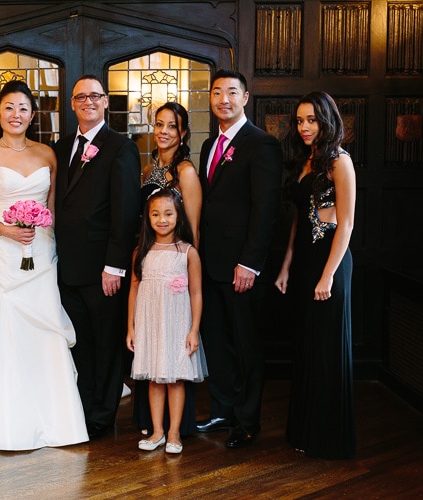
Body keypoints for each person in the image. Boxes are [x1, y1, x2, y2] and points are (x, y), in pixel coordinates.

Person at [0, 80, 88, 454]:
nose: (16, 115)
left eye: (23, 108)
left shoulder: (47, 155)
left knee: (43, 326)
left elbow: (55, 209)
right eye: (9, 108)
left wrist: (52, 240)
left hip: (41, 250)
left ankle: (54, 421)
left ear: (32, 114)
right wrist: (6, 229)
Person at [196, 69, 283, 448]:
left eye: (232, 92)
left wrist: (250, 262)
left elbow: (266, 209)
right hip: (210, 262)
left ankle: (246, 422)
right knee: (217, 342)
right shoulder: (208, 145)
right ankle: (222, 411)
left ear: (245, 98)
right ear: (210, 98)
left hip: (241, 267)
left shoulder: (261, 144)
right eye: (217, 93)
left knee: (247, 346)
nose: (224, 99)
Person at [54, 75, 141, 440]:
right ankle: (83, 409)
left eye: (95, 96)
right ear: (72, 105)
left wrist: (114, 265)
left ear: (105, 102)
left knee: (106, 343)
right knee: (79, 343)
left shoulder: (120, 147)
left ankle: (103, 415)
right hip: (65, 265)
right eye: (80, 97)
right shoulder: (61, 148)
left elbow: (125, 210)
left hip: (103, 267)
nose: (88, 102)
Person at [275, 91, 356, 459]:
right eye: (300, 120)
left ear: (327, 120)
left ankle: (328, 437)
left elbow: (347, 222)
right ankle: (305, 432)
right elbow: (298, 220)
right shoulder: (307, 160)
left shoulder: (340, 161)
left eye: (312, 120)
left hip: (330, 261)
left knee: (326, 348)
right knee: (306, 347)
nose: (305, 127)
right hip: (306, 260)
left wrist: (327, 276)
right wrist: (286, 267)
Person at [135, 102, 202, 438]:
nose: (163, 131)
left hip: (177, 270)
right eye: (158, 124)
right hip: (149, 265)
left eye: (171, 126)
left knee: (174, 358)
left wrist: (187, 271)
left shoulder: (186, 171)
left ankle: (176, 429)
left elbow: (194, 227)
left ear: (183, 133)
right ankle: (153, 426)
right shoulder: (148, 171)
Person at [127, 188, 207, 454]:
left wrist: (194, 330)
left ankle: (174, 433)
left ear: (178, 216)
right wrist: (131, 328)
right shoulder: (141, 251)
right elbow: (134, 290)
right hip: (149, 323)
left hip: (176, 323)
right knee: (154, 378)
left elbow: (196, 293)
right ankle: (157, 432)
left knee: (175, 379)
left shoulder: (187, 252)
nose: (162, 219)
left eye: (168, 214)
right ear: (148, 218)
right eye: (156, 214)